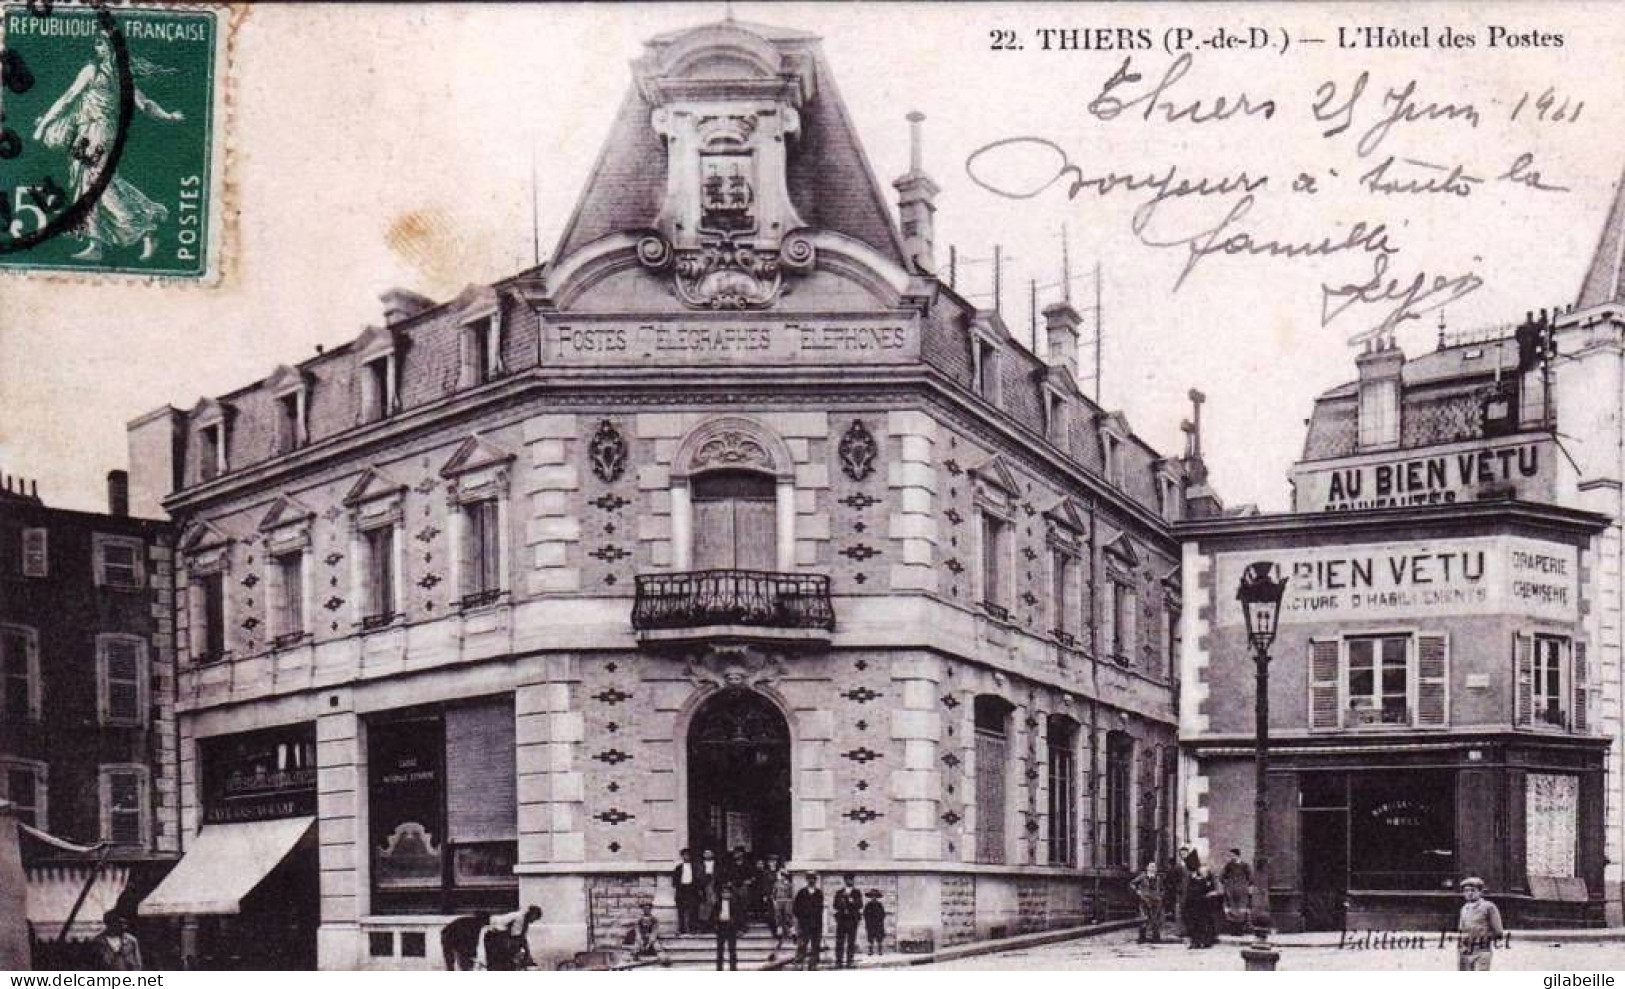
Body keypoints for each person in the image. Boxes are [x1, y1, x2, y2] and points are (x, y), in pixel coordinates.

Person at [30, 35, 185, 262]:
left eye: (102, 43)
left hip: (99, 133)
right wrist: (45, 124)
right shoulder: (97, 71)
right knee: (95, 181)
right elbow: (68, 99)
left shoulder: (111, 75)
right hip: (85, 133)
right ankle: (109, 238)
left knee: (94, 181)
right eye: (97, 43)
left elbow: (144, 104)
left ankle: (141, 224)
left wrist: (168, 117)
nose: (98, 47)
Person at [1457, 877, 1505, 971]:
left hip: (1482, 949)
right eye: (1466, 891)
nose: (1469, 893)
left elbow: (1498, 929)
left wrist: (1493, 939)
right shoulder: (1464, 908)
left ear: (1480, 892)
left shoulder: (1488, 907)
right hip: (1465, 949)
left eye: (1473, 890)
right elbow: (1461, 929)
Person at [484, 905, 541, 970]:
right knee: (498, 964)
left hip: (501, 936)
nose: (533, 921)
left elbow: (522, 938)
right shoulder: (520, 918)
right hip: (494, 936)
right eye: (535, 918)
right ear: (532, 914)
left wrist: (527, 953)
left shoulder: (525, 920)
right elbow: (515, 938)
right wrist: (523, 954)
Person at [792, 871, 825, 970]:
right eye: (809, 878)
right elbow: (795, 908)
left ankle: (813, 964)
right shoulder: (802, 893)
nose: (811, 880)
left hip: (816, 924)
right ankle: (799, 963)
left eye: (813, 879)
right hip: (804, 924)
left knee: (815, 945)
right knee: (802, 945)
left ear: (815, 880)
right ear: (807, 880)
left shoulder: (819, 893)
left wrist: (817, 919)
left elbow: (820, 908)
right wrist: (802, 917)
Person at [1184, 864, 1219, 949]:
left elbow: (1213, 891)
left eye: (1205, 872)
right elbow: (1190, 891)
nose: (1203, 873)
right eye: (1202, 872)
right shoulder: (1195, 880)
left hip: (1206, 906)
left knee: (1205, 924)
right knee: (1195, 924)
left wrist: (1211, 894)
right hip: (1195, 905)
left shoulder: (1209, 881)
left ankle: (1205, 942)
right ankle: (1195, 942)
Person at [832, 873, 863, 968]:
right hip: (842, 920)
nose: (850, 881)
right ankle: (839, 961)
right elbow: (835, 905)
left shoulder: (857, 892)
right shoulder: (839, 892)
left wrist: (852, 901)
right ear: (845, 881)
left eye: (851, 879)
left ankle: (850, 961)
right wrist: (841, 902)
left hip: (852, 920)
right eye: (848, 879)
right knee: (840, 941)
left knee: (851, 942)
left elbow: (860, 905)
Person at [712, 886, 746, 971]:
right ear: (721, 894)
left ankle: (733, 968)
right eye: (723, 893)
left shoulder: (735, 903)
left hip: (731, 928)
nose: (725, 894)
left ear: (730, 894)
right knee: (720, 950)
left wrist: (740, 929)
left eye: (727, 893)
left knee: (732, 950)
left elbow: (740, 916)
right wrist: (716, 923)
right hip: (721, 927)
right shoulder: (717, 903)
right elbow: (713, 915)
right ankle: (719, 969)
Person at [1130, 860, 1164, 944]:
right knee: (1144, 918)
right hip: (1144, 900)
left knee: (1155, 919)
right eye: (1151, 867)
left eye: (1154, 867)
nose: (1152, 869)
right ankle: (1142, 937)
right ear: (1147, 868)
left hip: (1156, 900)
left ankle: (1156, 937)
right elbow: (1132, 883)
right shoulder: (1143, 876)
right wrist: (1138, 891)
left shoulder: (1158, 878)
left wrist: (1160, 895)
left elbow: (1162, 888)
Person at [1220, 848, 1253, 934]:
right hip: (1231, 891)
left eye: (1232, 855)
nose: (1231, 857)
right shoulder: (1228, 866)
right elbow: (1222, 877)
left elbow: (1250, 878)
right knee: (1232, 910)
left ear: (1237, 855)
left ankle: (1240, 930)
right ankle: (1233, 930)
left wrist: (1245, 886)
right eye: (1230, 855)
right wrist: (1228, 884)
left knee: (1241, 910)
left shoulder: (1245, 866)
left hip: (1242, 892)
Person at [770, 858, 797, 953]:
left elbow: (791, 895)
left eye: (783, 875)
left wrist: (789, 903)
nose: (781, 877)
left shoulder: (789, 884)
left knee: (788, 919)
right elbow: (773, 895)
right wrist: (774, 902)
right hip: (779, 902)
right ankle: (780, 936)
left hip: (786, 902)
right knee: (778, 919)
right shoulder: (776, 884)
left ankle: (793, 935)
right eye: (781, 875)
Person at [672, 848, 701, 934]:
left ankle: (692, 928)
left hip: (692, 889)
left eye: (688, 855)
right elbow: (674, 881)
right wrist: (679, 887)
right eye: (684, 855)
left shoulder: (695, 867)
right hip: (682, 890)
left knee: (693, 910)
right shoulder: (678, 868)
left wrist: (696, 888)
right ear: (682, 856)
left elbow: (698, 879)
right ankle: (682, 929)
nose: (686, 857)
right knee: (681, 910)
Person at [698, 848, 720, 932]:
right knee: (704, 907)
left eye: (709, 853)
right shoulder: (700, 865)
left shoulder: (717, 864)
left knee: (714, 905)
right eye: (706, 853)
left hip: (714, 886)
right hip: (704, 887)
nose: (707, 855)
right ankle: (704, 926)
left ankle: (714, 925)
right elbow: (698, 876)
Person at [863, 890, 886, 956]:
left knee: (879, 938)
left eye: (875, 896)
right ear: (870, 897)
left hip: (878, 924)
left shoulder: (879, 905)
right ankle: (870, 951)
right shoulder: (868, 905)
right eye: (872, 896)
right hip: (870, 924)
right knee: (870, 938)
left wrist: (879, 919)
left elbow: (883, 914)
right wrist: (868, 921)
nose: (874, 898)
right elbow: (865, 914)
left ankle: (880, 950)